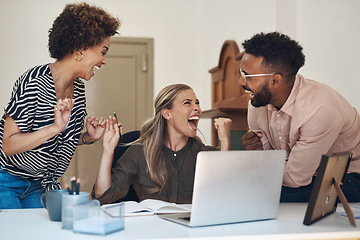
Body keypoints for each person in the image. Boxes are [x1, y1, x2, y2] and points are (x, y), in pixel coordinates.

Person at [0, 3, 121, 209]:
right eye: (102, 52)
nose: (104, 61)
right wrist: (55, 127)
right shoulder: (34, 81)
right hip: (7, 181)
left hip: (40, 185)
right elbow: (8, 145)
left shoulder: (79, 91)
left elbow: (57, 140)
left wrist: (87, 138)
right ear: (80, 50)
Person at [240, 32, 360, 202]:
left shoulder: (320, 110)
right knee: (247, 189)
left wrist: (261, 166)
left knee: (255, 196)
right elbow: (266, 162)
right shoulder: (258, 102)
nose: (241, 82)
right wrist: (255, 153)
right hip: (305, 177)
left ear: (275, 80)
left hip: (349, 177)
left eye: (247, 76)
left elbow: (295, 179)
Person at [92, 84, 232, 204]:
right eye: (187, 103)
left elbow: (224, 196)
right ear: (167, 114)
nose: (196, 108)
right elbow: (103, 195)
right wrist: (108, 150)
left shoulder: (204, 155)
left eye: (197, 103)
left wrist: (225, 142)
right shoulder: (140, 152)